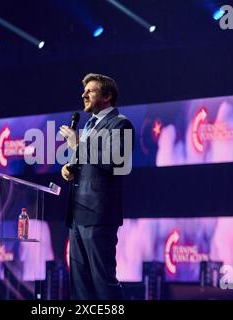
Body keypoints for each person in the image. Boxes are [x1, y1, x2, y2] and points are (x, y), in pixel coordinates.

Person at [59, 73, 134, 300]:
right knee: (80, 287)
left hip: (99, 215)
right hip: (78, 215)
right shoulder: (89, 126)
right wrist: (71, 169)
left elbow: (115, 160)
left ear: (107, 95)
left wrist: (78, 145)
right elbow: (91, 163)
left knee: (103, 283)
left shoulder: (121, 124)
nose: (83, 94)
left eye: (90, 90)